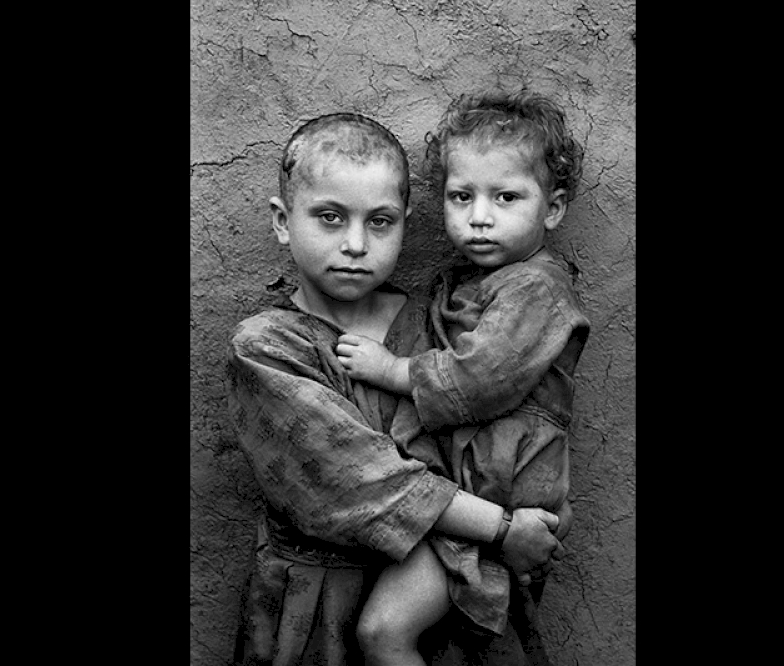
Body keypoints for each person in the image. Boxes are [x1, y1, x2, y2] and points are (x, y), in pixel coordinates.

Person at [227, 112, 571, 666]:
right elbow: (360, 480)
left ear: (407, 223)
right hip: (313, 609)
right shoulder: (266, 348)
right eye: (330, 218)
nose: (356, 244)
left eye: (381, 222)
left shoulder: (435, 326)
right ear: (282, 220)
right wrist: (504, 528)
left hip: (439, 600)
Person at [334, 90, 591, 666]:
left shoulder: (536, 287)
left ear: (552, 209)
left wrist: (392, 369)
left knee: (383, 631)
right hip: (475, 491)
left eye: (506, 197)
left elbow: (481, 379)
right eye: (461, 196)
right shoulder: (471, 282)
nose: (479, 216)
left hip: (502, 495)